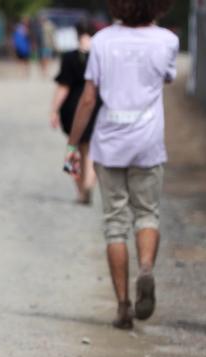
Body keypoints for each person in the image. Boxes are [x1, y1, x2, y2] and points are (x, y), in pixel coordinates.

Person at [65, 0, 178, 329]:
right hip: (148, 141)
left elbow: (88, 98)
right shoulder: (168, 41)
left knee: (115, 222)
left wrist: (73, 143)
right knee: (147, 213)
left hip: (109, 142)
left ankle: (124, 307)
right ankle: (145, 269)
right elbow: (167, 78)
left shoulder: (102, 41)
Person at [51, 21, 100, 204]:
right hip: (96, 104)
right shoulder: (99, 55)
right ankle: (89, 183)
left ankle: (80, 191)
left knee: (73, 150)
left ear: (77, 34)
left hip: (73, 107)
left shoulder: (69, 57)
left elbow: (63, 87)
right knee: (91, 150)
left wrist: (54, 110)